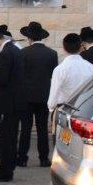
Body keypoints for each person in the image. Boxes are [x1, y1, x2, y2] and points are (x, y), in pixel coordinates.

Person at [17, 21, 58, 169]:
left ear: (29, 38)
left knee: (25, 129)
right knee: (42, 129)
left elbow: (20, 75)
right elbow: (53, 75)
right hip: (43, 96)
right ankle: (43, 158)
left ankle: (22, 158)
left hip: (26, 97)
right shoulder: (52, 54)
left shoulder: (23, 53)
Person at [0, 27, 25, 183]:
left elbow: (2, 79)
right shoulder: (15, 50)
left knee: (4, 138)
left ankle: (4, 171)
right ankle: (7, 168)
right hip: (15, 102)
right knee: (10, 136)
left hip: (6, 103)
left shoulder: (5, 53)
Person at [48, 33, 93, 117]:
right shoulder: (92, 68)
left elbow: (54, 93)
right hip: (86, 111)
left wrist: (51, 108)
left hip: (65, 110)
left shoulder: (60, 69)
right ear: (81, 47)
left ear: (64, 48)